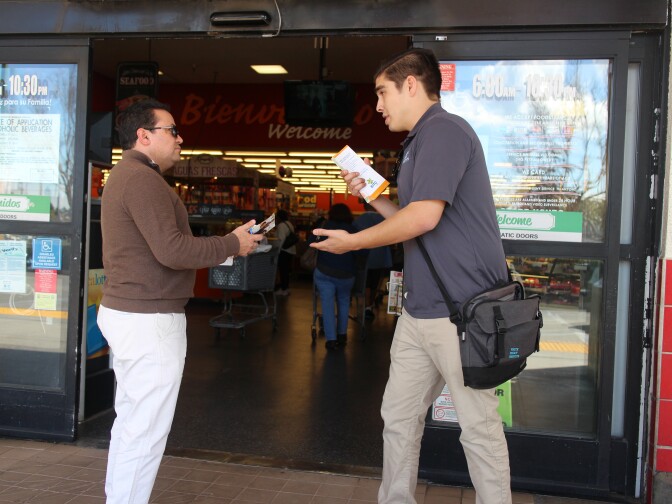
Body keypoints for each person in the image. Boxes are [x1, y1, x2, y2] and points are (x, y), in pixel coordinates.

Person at [311, 48, 511, 504]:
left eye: (382, 92)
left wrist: (351, 242)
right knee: (398, 419)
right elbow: (413, 217)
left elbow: (422, 219)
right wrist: (372, 195)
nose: (378, 105)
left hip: (461, 313)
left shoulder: (444, 131)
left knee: (478, 429)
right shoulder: (418, 141)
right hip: (419, 312)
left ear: (411, 85)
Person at [98, 98, 262, 504]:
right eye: (172, 130)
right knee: (145, 431)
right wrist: (230, 243)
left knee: (132, 424)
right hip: (148, 319)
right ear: (144, 135)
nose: (179, 138)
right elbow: (171, 250)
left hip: (131, 312)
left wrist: (231, 246)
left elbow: (168, 248)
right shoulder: (142, 180)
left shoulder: (127, 176)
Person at [310, 203, 364, 350]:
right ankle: (342, 335)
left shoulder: (325, 226)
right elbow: (361, 253)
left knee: (327, 304)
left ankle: (331, 340)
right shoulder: (353, 230)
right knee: (344, 302)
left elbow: (310, 243)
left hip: (324, 271)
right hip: (346, 274)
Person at [353, 201, 393, 319]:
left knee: (365, 282)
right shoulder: (385, 219)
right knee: (375, 282)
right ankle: (370, 305)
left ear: (364, 206)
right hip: (381, 256)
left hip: (364, 257)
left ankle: (365, 305)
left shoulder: (360, 220)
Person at [275, 209, 296, 296]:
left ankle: (283, 289)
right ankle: (286, 288)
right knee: (286, 270)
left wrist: (278, 251)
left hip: (284, 251)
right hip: (291, 250)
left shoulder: (281, 226)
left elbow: (281, 239)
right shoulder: (289, 224)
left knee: (283, 270)